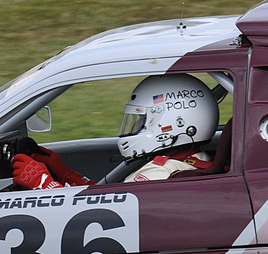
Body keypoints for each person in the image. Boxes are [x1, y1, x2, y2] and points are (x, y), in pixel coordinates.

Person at [12, 74, 221, 190]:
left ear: (174, 123)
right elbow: (104, 197)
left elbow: (95, 218)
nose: (134, 129)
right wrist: (67, 174)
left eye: (141, 121)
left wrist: (44, 184)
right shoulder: (188, 160)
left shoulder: (161, 175)